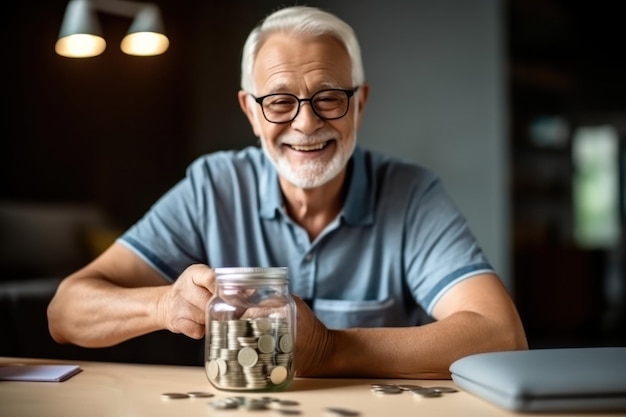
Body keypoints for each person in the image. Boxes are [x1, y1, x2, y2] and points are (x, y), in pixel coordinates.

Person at [47, 5, 527, 379]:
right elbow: (66, 312)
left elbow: (503, 336)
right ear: (251, 113)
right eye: (279, 101)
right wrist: (162, 304)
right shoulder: (213, 185)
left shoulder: (411, 192)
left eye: (330, 98)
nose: (306, 123)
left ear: (359, 102)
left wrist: (328, 348)